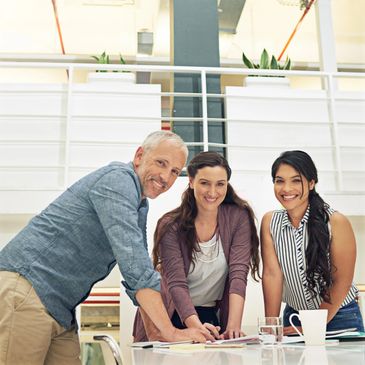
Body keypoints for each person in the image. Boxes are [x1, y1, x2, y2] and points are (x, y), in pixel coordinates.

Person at [0, 131, 210, 365]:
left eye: (174, 171)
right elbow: (135, 269)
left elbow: (138, 280)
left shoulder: (140, 205)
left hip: (60, 308)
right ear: (139, 156)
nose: (165, 178)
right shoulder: (117, 180)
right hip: (28, 289)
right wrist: (171, 331)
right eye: (161, 163)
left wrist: (157, 333)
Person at [133, 151, 260, 342]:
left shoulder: (238, 218)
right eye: (204, 183)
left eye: (220, 184)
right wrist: (195, 328)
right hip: (169, 316)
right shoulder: (171, 226)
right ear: (191, 181)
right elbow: (176, 284)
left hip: (209, 315)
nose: (212, 192)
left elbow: (238, 274)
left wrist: (233, 326)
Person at [261, 150, 364, 334]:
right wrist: (272, 326)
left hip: (340, 317)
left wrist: (312, 326)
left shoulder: (335, 222)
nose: (286, 189)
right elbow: (272, 275)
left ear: (311, 183)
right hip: (294, 316)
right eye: (279, 181)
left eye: (296, 180)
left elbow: (342, 281)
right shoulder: (270, 222)